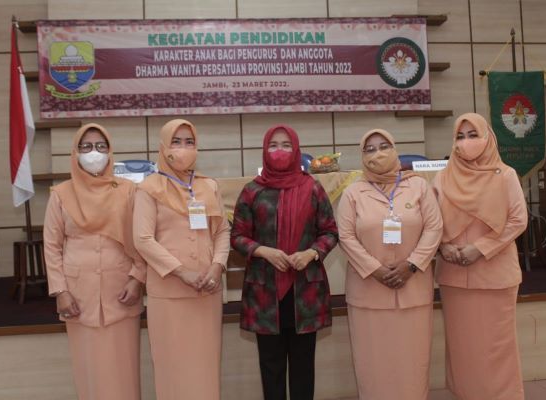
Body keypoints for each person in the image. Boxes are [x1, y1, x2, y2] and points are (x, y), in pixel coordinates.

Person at [230, 124, 338, 400]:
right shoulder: (252, 191)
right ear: (265, 150)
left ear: (297, 150)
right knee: (271, 368)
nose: (279, 151)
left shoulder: (313, 188)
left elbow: (329, 232)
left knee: (303, 368)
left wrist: (311, 253)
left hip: (305, 292)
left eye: (286, 145)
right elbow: (237, 236)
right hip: (264, 293)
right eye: (273, 145)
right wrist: (263, 251)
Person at [336, 128, 443, 400]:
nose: (378, 153)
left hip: (413, 287)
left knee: (412, 361)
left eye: (384, 146)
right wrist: (376, 270)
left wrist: (412, 265)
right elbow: (345, 237)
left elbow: (434, 227)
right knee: (374, 363)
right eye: (370, 149)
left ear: (395, 150)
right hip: (368, 292)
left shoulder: (418, 186)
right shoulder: (353, 192)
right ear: (362, 156)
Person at [44, 123, 145, 400]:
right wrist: (60, 291)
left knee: (123, 368)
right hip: (78, 295)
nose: (94, 153)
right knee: (89, 369)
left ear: (110, 152)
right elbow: (51, 246)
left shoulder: (128, 190)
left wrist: (137, 279)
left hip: (121, 290)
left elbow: (142, 239)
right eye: (86, 146)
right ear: (75, 152)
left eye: (101, 146)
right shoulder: (61, 194)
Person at [133, 119, 230, 400]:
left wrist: (217, 266)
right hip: (169, 293)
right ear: (164, 147)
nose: (183, 148)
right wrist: (181, 272)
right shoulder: (148, 188)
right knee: (173, 368)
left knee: (205, 367)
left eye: (189, 142)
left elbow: (222, 231)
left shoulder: (208, 186)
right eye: (176, 142)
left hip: (207, 292)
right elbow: (143, 239)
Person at [434, 113, 527, 400]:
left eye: (473, 135)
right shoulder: (442, 177)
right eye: (460, 137)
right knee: (463, 348)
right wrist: (443, 246)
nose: (466, 142)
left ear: (488, 138)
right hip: (454, 277)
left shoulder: (505, 175)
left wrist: (480, 248)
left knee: (496, 348)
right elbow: (431, 222)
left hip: (495, 275)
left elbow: (518, 220)